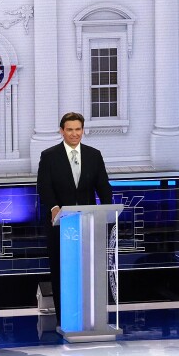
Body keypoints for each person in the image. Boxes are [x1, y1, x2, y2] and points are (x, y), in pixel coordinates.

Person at [36, 112, 113, 321]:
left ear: (83, 130)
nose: (74, 134)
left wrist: (106, 210)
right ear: (62, 131)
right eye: (69, 129)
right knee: (62, 270)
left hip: (88, 224)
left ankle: (90, 316)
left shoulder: (94, 155)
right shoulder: (49, 156)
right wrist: (54, 207)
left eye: (78, 129)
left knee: (88, 269)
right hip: (59, 225)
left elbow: (104, 187)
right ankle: (65, 319)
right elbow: (44, 187)